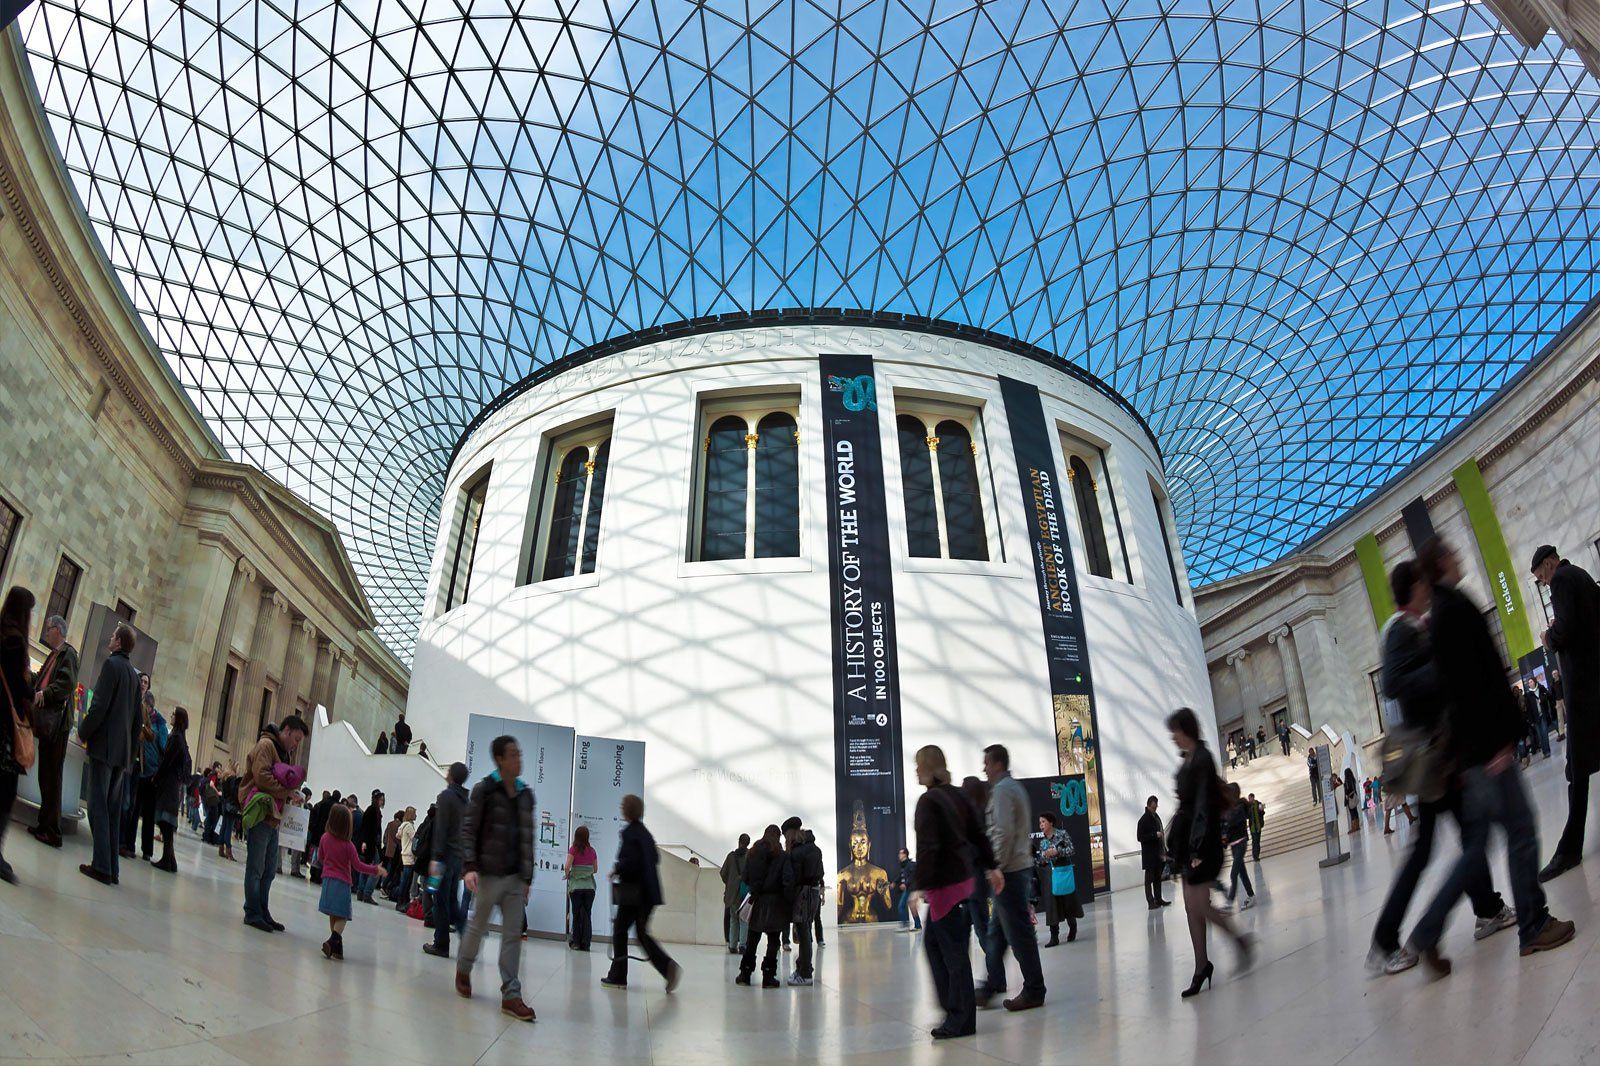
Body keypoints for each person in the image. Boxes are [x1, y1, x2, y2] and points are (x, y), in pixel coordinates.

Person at [1403, 537, 1575, 972]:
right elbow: (1474, 686)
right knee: (1520, 830)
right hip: (1485, 750)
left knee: (1476, 847)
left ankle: (1425, 933)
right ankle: (1533, 926)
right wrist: (1497, 744)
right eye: (1454, 554)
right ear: (1442, 561)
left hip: (1472, 753)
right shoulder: (1454, 610)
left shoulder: (1442, 614)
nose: (1460, 558)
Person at [1369, 557, 1518, 974]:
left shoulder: (1412, 628)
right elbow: (1394, 682)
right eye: (1424, 583)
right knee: (1444, 844)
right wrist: (1441, 666)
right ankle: (1387, 940)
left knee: (1457, 836)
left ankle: (1487, 909)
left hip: (1439, 756)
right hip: (1430, 757)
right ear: (1414, 587)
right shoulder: (1400, 630)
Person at [909, 745, 994, 1040]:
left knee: (951, 953)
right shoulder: (958, 795)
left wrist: (918, 886)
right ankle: (954, 1009)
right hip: (962, 882)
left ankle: (960, 1018)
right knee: (938, 946)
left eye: (919, 765)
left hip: (945, 887)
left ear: (930, 767)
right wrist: (992, 867)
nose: (916, 770)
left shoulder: (928, 801)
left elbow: (928, 847)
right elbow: (978, 834)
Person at [1168, 706, 1251, 998]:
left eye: (1175, 732)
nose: (1173, 738)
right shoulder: (1187, 760)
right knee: (1192, 906)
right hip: (1190, 840)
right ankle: (1201, 965)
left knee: (1199, 904)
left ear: (1186, 730)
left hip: (1205, 840)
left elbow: (1203, 805)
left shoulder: (1202, 759)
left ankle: (1239, 940)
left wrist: (1197, 847)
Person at [455, 736, 536, 1021]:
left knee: (513, 935)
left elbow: (528, 839)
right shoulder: (484, 790)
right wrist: (470, 867)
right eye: (513, 754)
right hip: (488, 874)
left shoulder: (526, 795)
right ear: (500, 759)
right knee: (477, 928)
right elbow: (469, 830)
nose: (519, 758)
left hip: (514, 878)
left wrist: (527, 877)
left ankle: (511, 995)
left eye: (519, 753)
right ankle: (463, 968)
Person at [1532, 546, 1600, 882]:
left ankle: (1569, 849)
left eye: (1541, 576)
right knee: (1580, 766)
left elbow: (1566, 631)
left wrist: (1549, 637)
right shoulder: (1583, 576)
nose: (1544, 583)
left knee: (1576, 768)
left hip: (1584, 692)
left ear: (1548, 563)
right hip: (1595, 683)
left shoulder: (1561, 579)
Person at [976, 743, 1046, 1012]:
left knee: (1018, 934)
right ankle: (992, 983)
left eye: (987, 763)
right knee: (997, 933)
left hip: (1009, 872)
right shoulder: (1012, 788)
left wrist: (996, 868)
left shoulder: (1003, 791)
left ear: (997, 764)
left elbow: (1002, 832)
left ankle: (1034, 989)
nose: (984, 768)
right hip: (1013, 870)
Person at [78, 622, 140, 886]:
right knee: (113, 810)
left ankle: (102, 865)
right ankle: (112, 868)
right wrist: (130, 753)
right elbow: (137, 720)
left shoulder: (112, 666)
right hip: (121, 752)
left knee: (97, 806)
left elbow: (99, 705)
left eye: (113, 637)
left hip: (104, 747)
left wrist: (83, 730)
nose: (110, 639)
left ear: (119, 643)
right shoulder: (134, 675)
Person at [601, 793, 681, 992]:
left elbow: (630, 861)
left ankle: (618, 975)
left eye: (623, 805)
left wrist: (617, 870)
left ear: (627, 810)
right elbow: (654, 858)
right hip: (649, 893)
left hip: (633, 893)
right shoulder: (645, 833)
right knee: (641, 933)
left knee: (620, 930)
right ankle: (667, 967)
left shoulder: (629, 833)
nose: (621, 808)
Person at [241, 714, 308, 932]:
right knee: (256, 867)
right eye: (296, 738)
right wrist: (287, 792)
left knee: (269, 869)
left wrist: (290, 794)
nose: (296, 744)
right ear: (286, 730)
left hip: (273, 817)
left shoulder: (284, 753)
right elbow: (261, 778)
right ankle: (252, 911)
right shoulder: (266, 746)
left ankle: (262, 909)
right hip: (261, 814)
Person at [28, 614, 77, 849]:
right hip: (49, 724)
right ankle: (43, 824)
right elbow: (43, 680)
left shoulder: (68, 654)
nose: (46, 633)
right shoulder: (54, 654)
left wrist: (44, 694)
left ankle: (53, 831)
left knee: (52, 777)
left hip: (58, 725)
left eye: (49, 629)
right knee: (45, 775)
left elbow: (65, 685)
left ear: (58, 630)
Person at [315, 801, 385, 961]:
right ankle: (333, 940)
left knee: (333, 913)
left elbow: (320, 858)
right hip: (342, 883)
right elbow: (358, 866)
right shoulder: (348, 846)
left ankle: (337, 948)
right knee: (343, 915)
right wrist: (375, 869)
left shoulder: (325, 838)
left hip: (327, 881)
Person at [0, 588, 34, 884]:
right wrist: (31, 690)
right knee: (5, 792)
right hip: (4, 728)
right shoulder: (15, 642)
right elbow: (19, 688)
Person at [736, 823, 792, 988]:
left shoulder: (753, 852)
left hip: (758, 901)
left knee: (752, 939)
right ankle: (768, 976)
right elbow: (787, 879)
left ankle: (745, 974)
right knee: (773, 941)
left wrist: (755, 885)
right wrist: (788, 899)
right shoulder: (782, 855)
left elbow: (745, 877)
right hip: (776, 902)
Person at [424, 762, 471, 959]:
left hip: (442, 860)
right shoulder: (465, 801)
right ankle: (468, 939)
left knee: (439, 900)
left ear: (451, 775)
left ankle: (441, 943)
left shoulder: (446, 797)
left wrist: (436, 858)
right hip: (457, 859)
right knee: (451, 901)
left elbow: (441, 830)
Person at [125, 692, 168, 861]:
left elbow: (163, 749)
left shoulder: (160, 724)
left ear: (150, 706)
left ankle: (147, 850)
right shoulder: (143, 720)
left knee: (149, 813)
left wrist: (157, 773)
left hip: (152, 774)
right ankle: (129, 844)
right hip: (140, 770)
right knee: (134, 809)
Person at [150, 708, 192, 872]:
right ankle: (170, 860)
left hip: (168, 784)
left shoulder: (176, 738)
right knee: (166, 822)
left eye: (174, 714)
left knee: (165, 822)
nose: (171, 716)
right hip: (172, 785)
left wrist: (156, 777)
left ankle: (167, 860)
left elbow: (166, 761)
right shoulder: (180, 738)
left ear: (179, 718)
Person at [785, 816, 824, 986]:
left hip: (802, 893)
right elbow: (819, 873)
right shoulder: (814, 848)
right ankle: (802, 968)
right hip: (812, 891)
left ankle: (805, 973)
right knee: (806, 930)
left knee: (803, 932)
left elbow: (794, 877)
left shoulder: (797, 852)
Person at [959, 775, 995, 957]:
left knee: (982, 931)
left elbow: (975, 848)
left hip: (974, 882)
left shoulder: (973, 816)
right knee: (969, 932)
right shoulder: (978, 813)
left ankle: (997, 977)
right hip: (973, 883)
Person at [1033, 812, 1082, 944]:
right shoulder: (1043, 841)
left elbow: (1071, 849)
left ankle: (1073, 927)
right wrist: (1039, 859)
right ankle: (1054, 936)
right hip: (1050, 874)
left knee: (1067, 901)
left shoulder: (1062, 834)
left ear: (1051, 822)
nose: (1041, 825)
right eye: (1040, 823)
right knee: (1052, 905)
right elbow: (1042, 861)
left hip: (1063, 871)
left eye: (1043, 822)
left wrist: (1057, 852)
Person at [1218, 784, 1255, 912]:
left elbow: (1231, 822)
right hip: (1233, 846)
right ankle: (1251, 895)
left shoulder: (1239, 807)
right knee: (1242, 872)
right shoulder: (1229, 809)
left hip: (1241, 843)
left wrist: (1224, 821)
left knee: (1234, 874)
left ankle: (1229, 901)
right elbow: (1224, 826)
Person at [565, 824, 597, 951]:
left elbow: (567, 867)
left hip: (576, 888)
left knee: (576, 914)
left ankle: (576, 943)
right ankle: (586, 944)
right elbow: (595, 869)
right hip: (589, 888)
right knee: (587, 915)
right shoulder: (592, 851)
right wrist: (585, 872)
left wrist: (569, 875)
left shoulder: (573, 850)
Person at [719, 833, 750, 954]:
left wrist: (731, 882)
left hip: (732, 893)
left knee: (733, 919)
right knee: (744, 919)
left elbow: (723, 874)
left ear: (739, 842)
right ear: (748, 843)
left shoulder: (731, 856)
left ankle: (732, 945)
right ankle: (742, 945)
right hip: (745, 892)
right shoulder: (750, 857)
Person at [1138, 796, 1168, 908]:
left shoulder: (1156, 817)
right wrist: (1154, 835)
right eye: (1154, 807)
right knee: (1148, 880)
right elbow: (1140, 837)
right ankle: (1150, 902)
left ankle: (1158, 899)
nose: (1155, 809)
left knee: (1157, 879)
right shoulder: (1143, 820)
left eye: (1156, 807)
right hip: (1150, 855)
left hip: (1157, 854)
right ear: (1149, 805)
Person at [355, 790, 384, 903]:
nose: (382, 802)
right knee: (375, 869)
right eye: (380, 799)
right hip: (370, 844)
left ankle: (361, 892)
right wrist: (364, 841)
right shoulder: (372, 810)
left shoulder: (374, 810)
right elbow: (366, 827)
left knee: (366, 867)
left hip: (371, 843)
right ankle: (366, 893)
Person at [392, 807, 418, 908]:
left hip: (404, 853)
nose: (416, 815)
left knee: (405, 879)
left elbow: (398, 836)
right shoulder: (409, 827)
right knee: (406, 881)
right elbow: (414, 839)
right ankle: (401, 902)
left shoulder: (403, 825)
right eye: (415, 813)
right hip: (409, 854)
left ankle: (401, 901)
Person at [895, 847, 921, 931]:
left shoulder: (910, 864)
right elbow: (901, 876)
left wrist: (905, 884)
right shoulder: (903, 865)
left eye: (900, 853)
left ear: (905, 854)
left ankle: (905, 925)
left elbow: (912, 876)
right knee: (912, 906)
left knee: (902, 906)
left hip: (912, 888)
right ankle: (917, 925)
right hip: (909, 889)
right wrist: (894, 883)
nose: (899, 855)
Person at [1245, 792, 1266, 861]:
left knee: (1258, 840)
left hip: (1258, 825)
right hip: (1252, 827)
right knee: (1254, 840)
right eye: (1249, 799)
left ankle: (1257, 854)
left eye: (1250, 798)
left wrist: (1262, 810)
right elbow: (1247, 816)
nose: (1249, 800)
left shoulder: (1258, 803)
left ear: (1253, 797)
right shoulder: (1248, 806)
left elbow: (1262, 813)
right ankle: (1255, 856)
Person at [1343, 768, 1360, 833]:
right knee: (1355, 811)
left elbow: (1347, 791)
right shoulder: (1353, 780)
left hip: (1350, 798)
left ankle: (1353, 828)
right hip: (1354, 797)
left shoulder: (1347, 782)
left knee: (1352, 813)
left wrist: (1346, 798)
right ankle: (1357, 826)